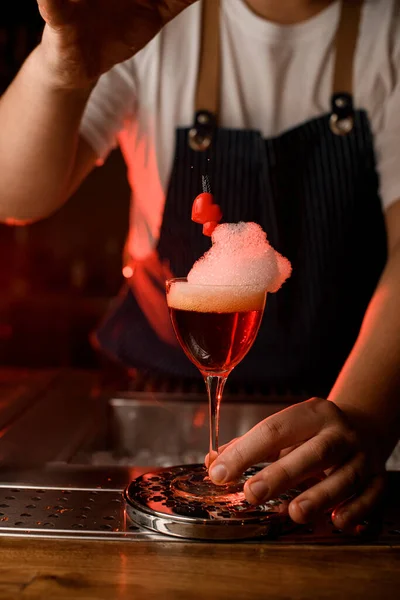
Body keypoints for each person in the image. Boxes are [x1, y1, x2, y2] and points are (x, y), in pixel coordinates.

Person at [1, 0, 400, 529]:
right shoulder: (144, 16)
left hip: (331, 402)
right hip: (157, 392)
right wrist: (61, 66)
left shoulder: (389, 29)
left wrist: (361, 415)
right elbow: (14, 195)